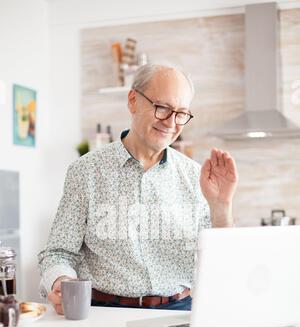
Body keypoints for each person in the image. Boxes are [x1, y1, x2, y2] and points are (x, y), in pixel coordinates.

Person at [38, 64, 238, 314]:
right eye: (162, 108)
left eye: (181, 114)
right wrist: (61, 281)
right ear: (133, 100)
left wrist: (222, 206)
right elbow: (58, 252)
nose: (171, 122)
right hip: (103, 312)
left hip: (179, 311)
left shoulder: (195, 176)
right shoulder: (86, 171)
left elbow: (223, 263)